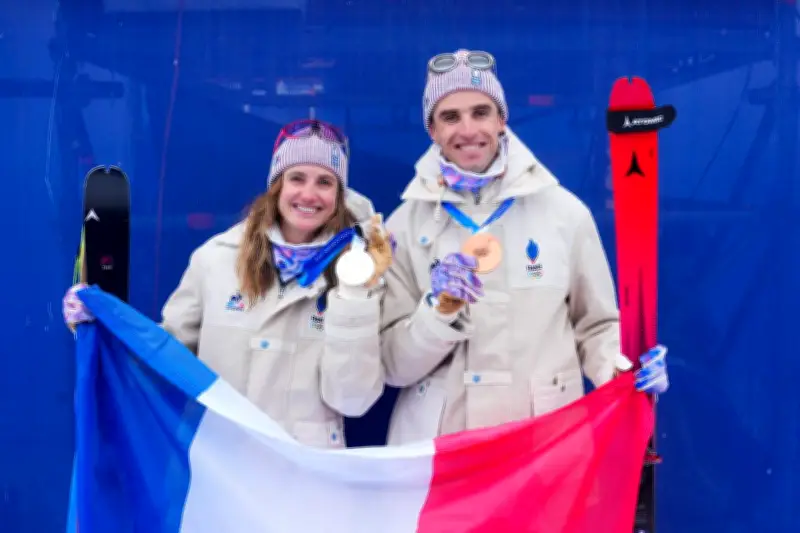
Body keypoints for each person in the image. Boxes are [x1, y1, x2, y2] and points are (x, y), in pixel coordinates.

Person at [379, 50, 668, 444]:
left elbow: (597, 325)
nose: (467, 130)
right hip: (441, 450)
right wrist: (437, 311)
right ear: (431, 129)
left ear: (502, 120)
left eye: (481, 112)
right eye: (450, 117)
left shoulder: (564, 213)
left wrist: (621, 368)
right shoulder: (403, 227)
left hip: (542, 446)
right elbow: (393, 365)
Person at [63, 119, 393, 449]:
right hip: (221, 468)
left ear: (339, 195)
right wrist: (100, 326)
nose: (309, 194)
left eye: (325, 182)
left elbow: (353, 400)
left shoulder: (359, 272)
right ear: (277, 185)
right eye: (297, 178)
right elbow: (165, 358)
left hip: (304, 475)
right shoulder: (216, 259)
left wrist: (356, 291)